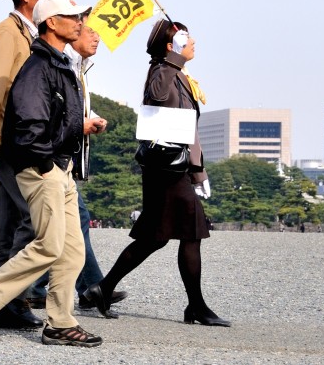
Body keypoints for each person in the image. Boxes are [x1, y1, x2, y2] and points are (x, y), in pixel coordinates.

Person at [0, 0, 105, 347]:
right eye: (72, 17)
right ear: (51, 23)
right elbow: (29, 126)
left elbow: (59, 121)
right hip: (43, 167)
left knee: (72, 250)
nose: (80, 22)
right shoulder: (38, 67)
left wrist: (75, 133)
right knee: (49, 245)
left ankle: (59, 322)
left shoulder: (59, 63)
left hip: (59, 166)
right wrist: (45, 162)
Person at [82, 20, 231, 327]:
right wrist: (172, 59)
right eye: (184, 38)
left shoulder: (179, 75)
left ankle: (103, 288)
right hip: (166, 171)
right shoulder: (164, 71)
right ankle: (196, 307)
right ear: (170, 44)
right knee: (188, 232)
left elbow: (190, 131)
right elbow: (157, 97)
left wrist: (199, 173)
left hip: (172, 169)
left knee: (156, 237)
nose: (192, 42)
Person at [0, 0, 58, 329]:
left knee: (8, 221)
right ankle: (5, 295)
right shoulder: (6, 34)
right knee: (35, 218)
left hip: (21, 139)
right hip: (12, 141)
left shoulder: (28, 34)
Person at [27, 20, 128, 311]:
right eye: (90, 32)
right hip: (51, 158)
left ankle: (88, 288)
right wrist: (79, 125)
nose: (97, 39)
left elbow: (74, 107)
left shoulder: (79, 67)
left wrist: (91, 118)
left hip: (60, 158)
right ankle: (88, 288)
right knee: (64, 226)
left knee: (69, 225)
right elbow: (57, 113)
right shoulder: (61, 64)